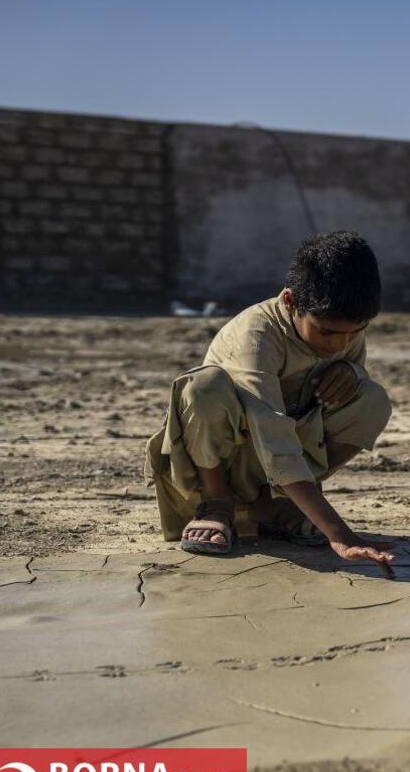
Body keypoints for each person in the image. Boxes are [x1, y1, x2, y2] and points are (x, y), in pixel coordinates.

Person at [145, 230, 395, 576]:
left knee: (372, 400)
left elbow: (337, 394)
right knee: (203, 388)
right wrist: (339, 536)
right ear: (291, 302)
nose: (341, 343)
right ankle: (217, 506)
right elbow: (271, 431)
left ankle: (274, 505)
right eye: (326, 333)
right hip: (224, 460)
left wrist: (352, 370)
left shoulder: (342, 323)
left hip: (277, 465)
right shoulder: (257, 334)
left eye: (356, 331)